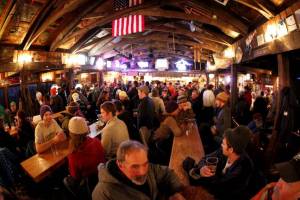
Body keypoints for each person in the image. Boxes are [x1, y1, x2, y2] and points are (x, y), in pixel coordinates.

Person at [92, 140, 185, 200]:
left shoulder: (150, 168)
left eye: (145, 164)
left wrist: (176, 192)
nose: (143, 171)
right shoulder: (103, 193)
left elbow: (168, 173)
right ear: (120, 166)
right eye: (135, 167)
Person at [184, 126, 254, 200]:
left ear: (231, 149)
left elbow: (218, 187)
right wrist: (202, 168)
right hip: (213, 186)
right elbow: (205, 158)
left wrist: (196, 172)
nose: (221, 145)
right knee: (188, 163)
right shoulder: (224, 151)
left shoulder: (244, 167)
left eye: (223, 144)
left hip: (223, 195)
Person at [64, 117, 106, 196]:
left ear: (71, 134)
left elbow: (76, 176)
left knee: (66, 180)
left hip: (89, 185)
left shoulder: (74, 155)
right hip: (102, 177)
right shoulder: (96, 141)